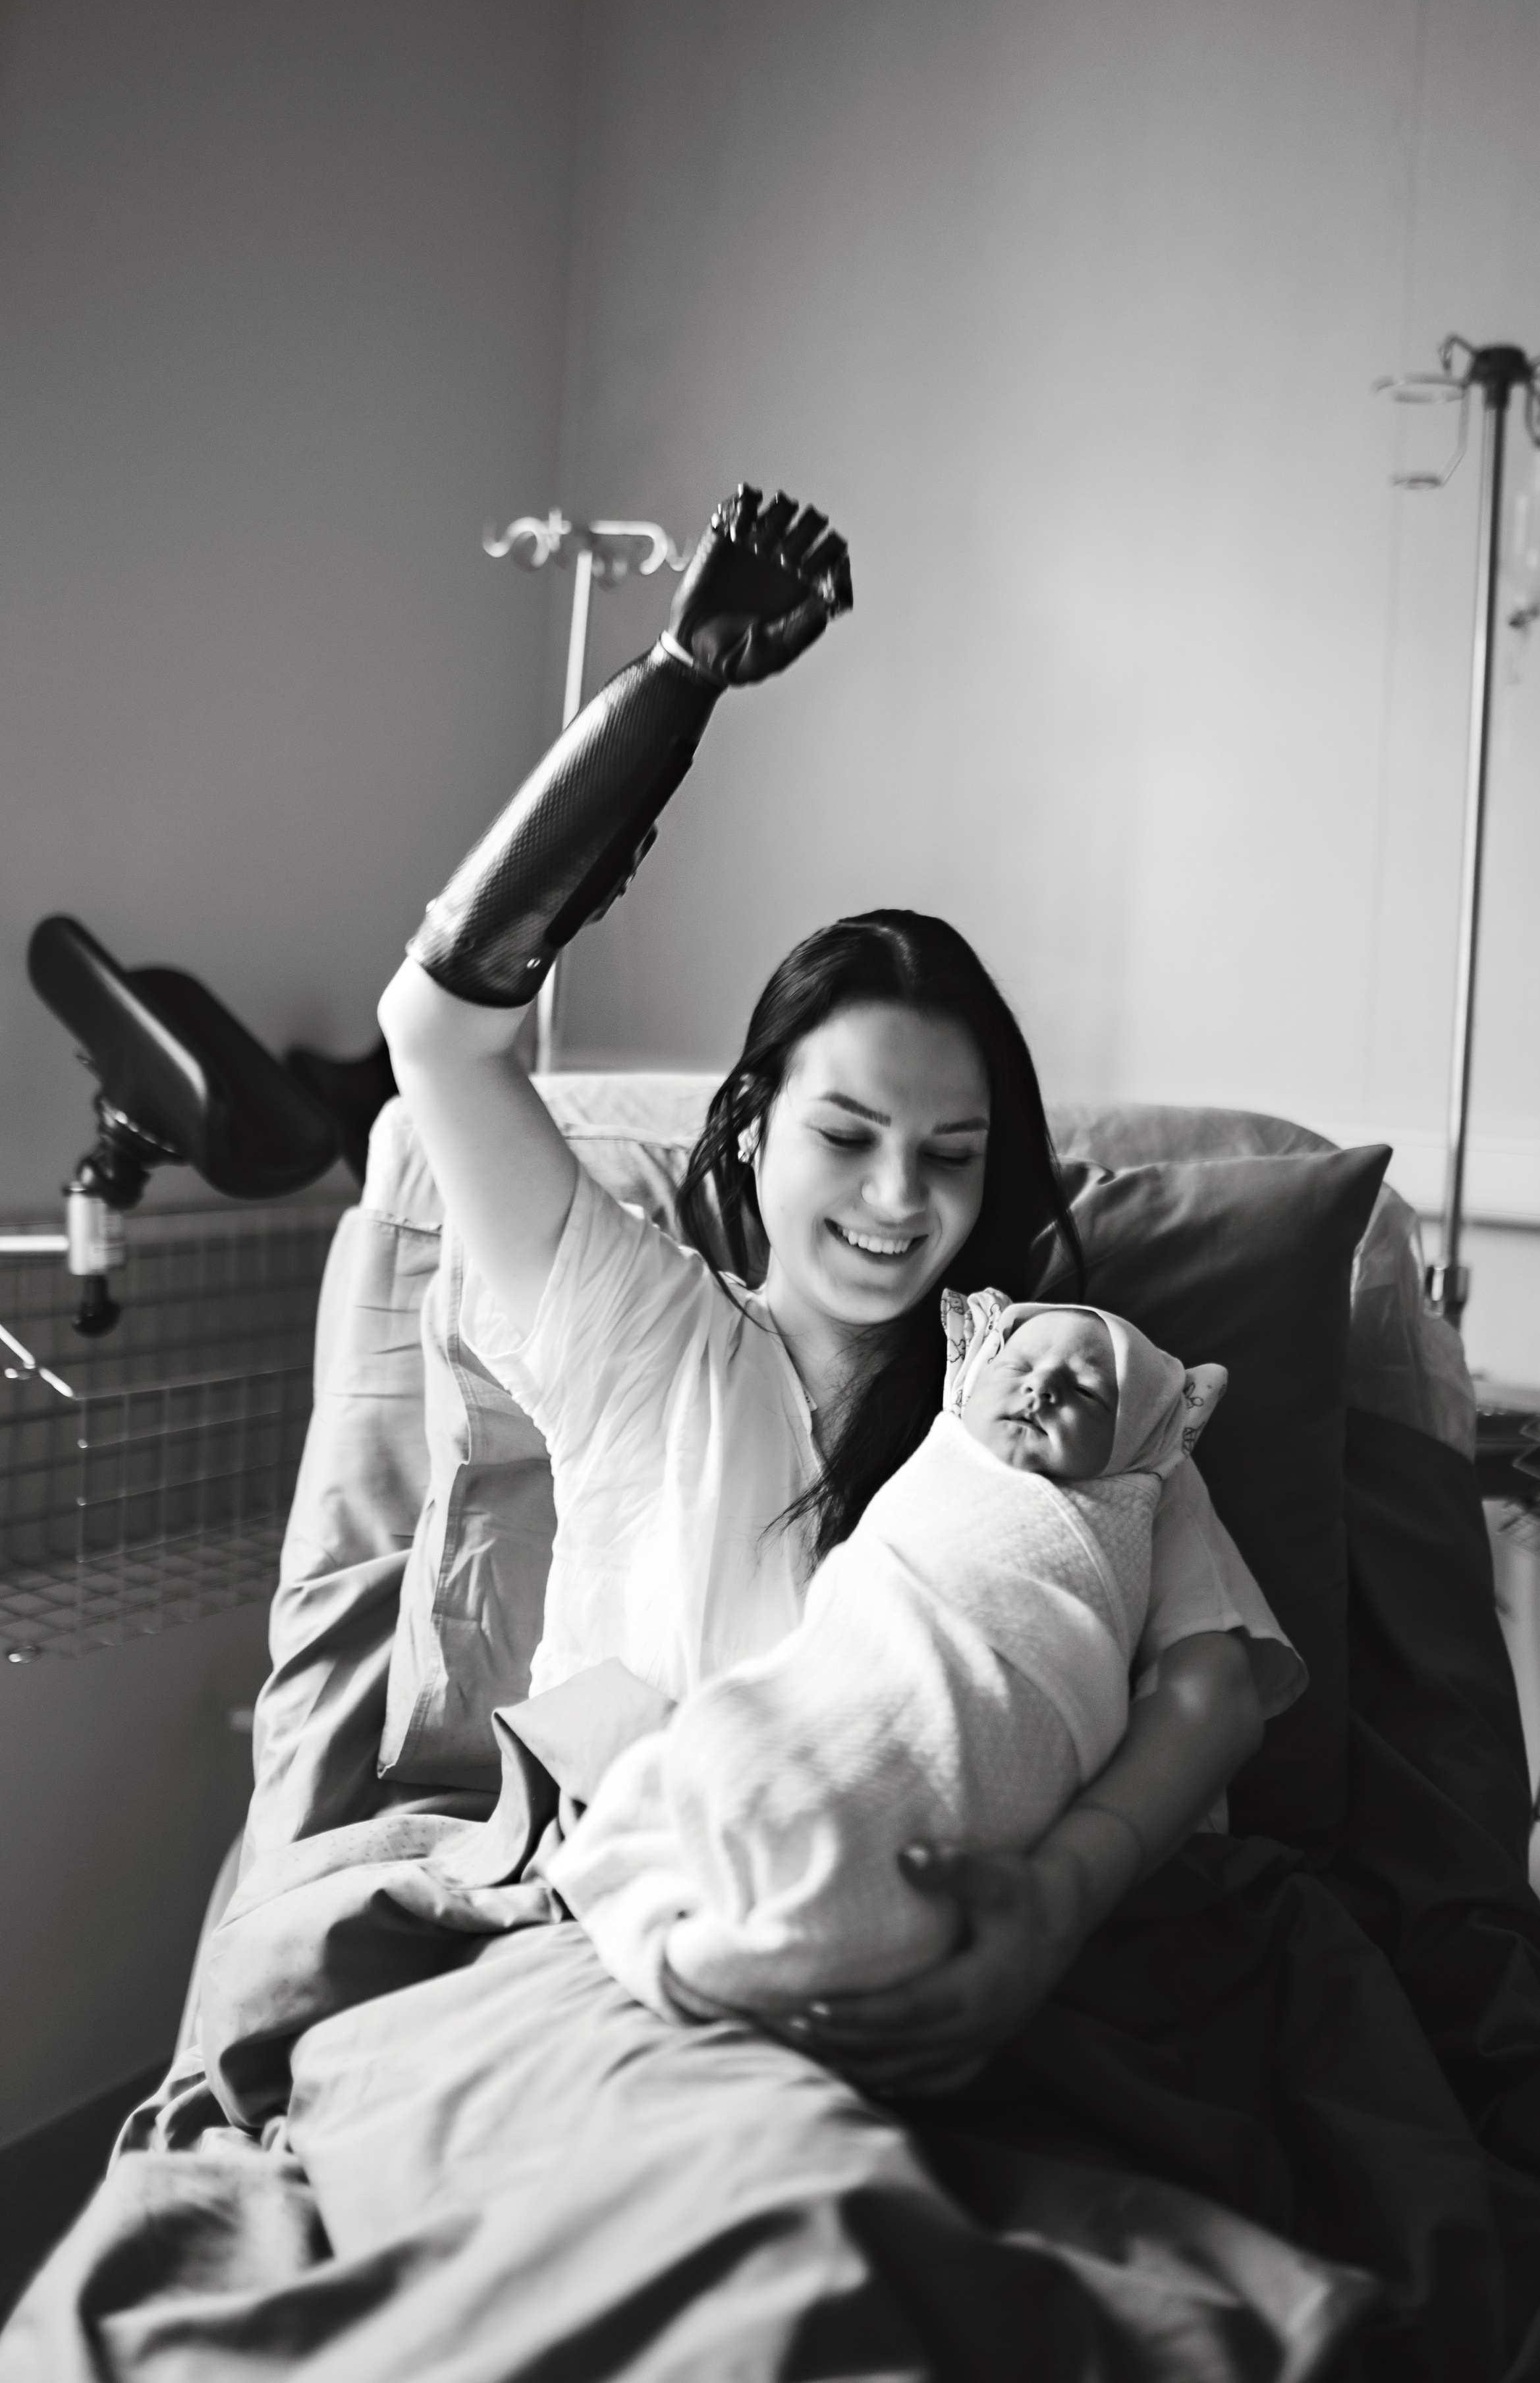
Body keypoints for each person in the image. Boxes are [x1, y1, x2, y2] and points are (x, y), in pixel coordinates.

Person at [379, 481, 1287, 2092]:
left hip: (1015, 1966)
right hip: (659, 1974)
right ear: (750, 1125)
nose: (896, 1199)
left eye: (949, 1152)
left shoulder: (1055, 1393)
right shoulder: (639, 1333)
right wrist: (678, 679)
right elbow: (435, 1030)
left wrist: (1054, 1902)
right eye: (848, 1134)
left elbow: (1209, 1679)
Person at [547, 1292, 1294, 2022]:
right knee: (716, 1753)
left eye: (1088, 1392)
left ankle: (766, 1939)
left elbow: (1213, 1699)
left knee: (848, 1822)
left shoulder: (1144, 1483)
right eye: (1022, 1364)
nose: (1041, 1386)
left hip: (988, 1783)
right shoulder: (676, 1318)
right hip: (802, 1708)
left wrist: (1060, 1891)